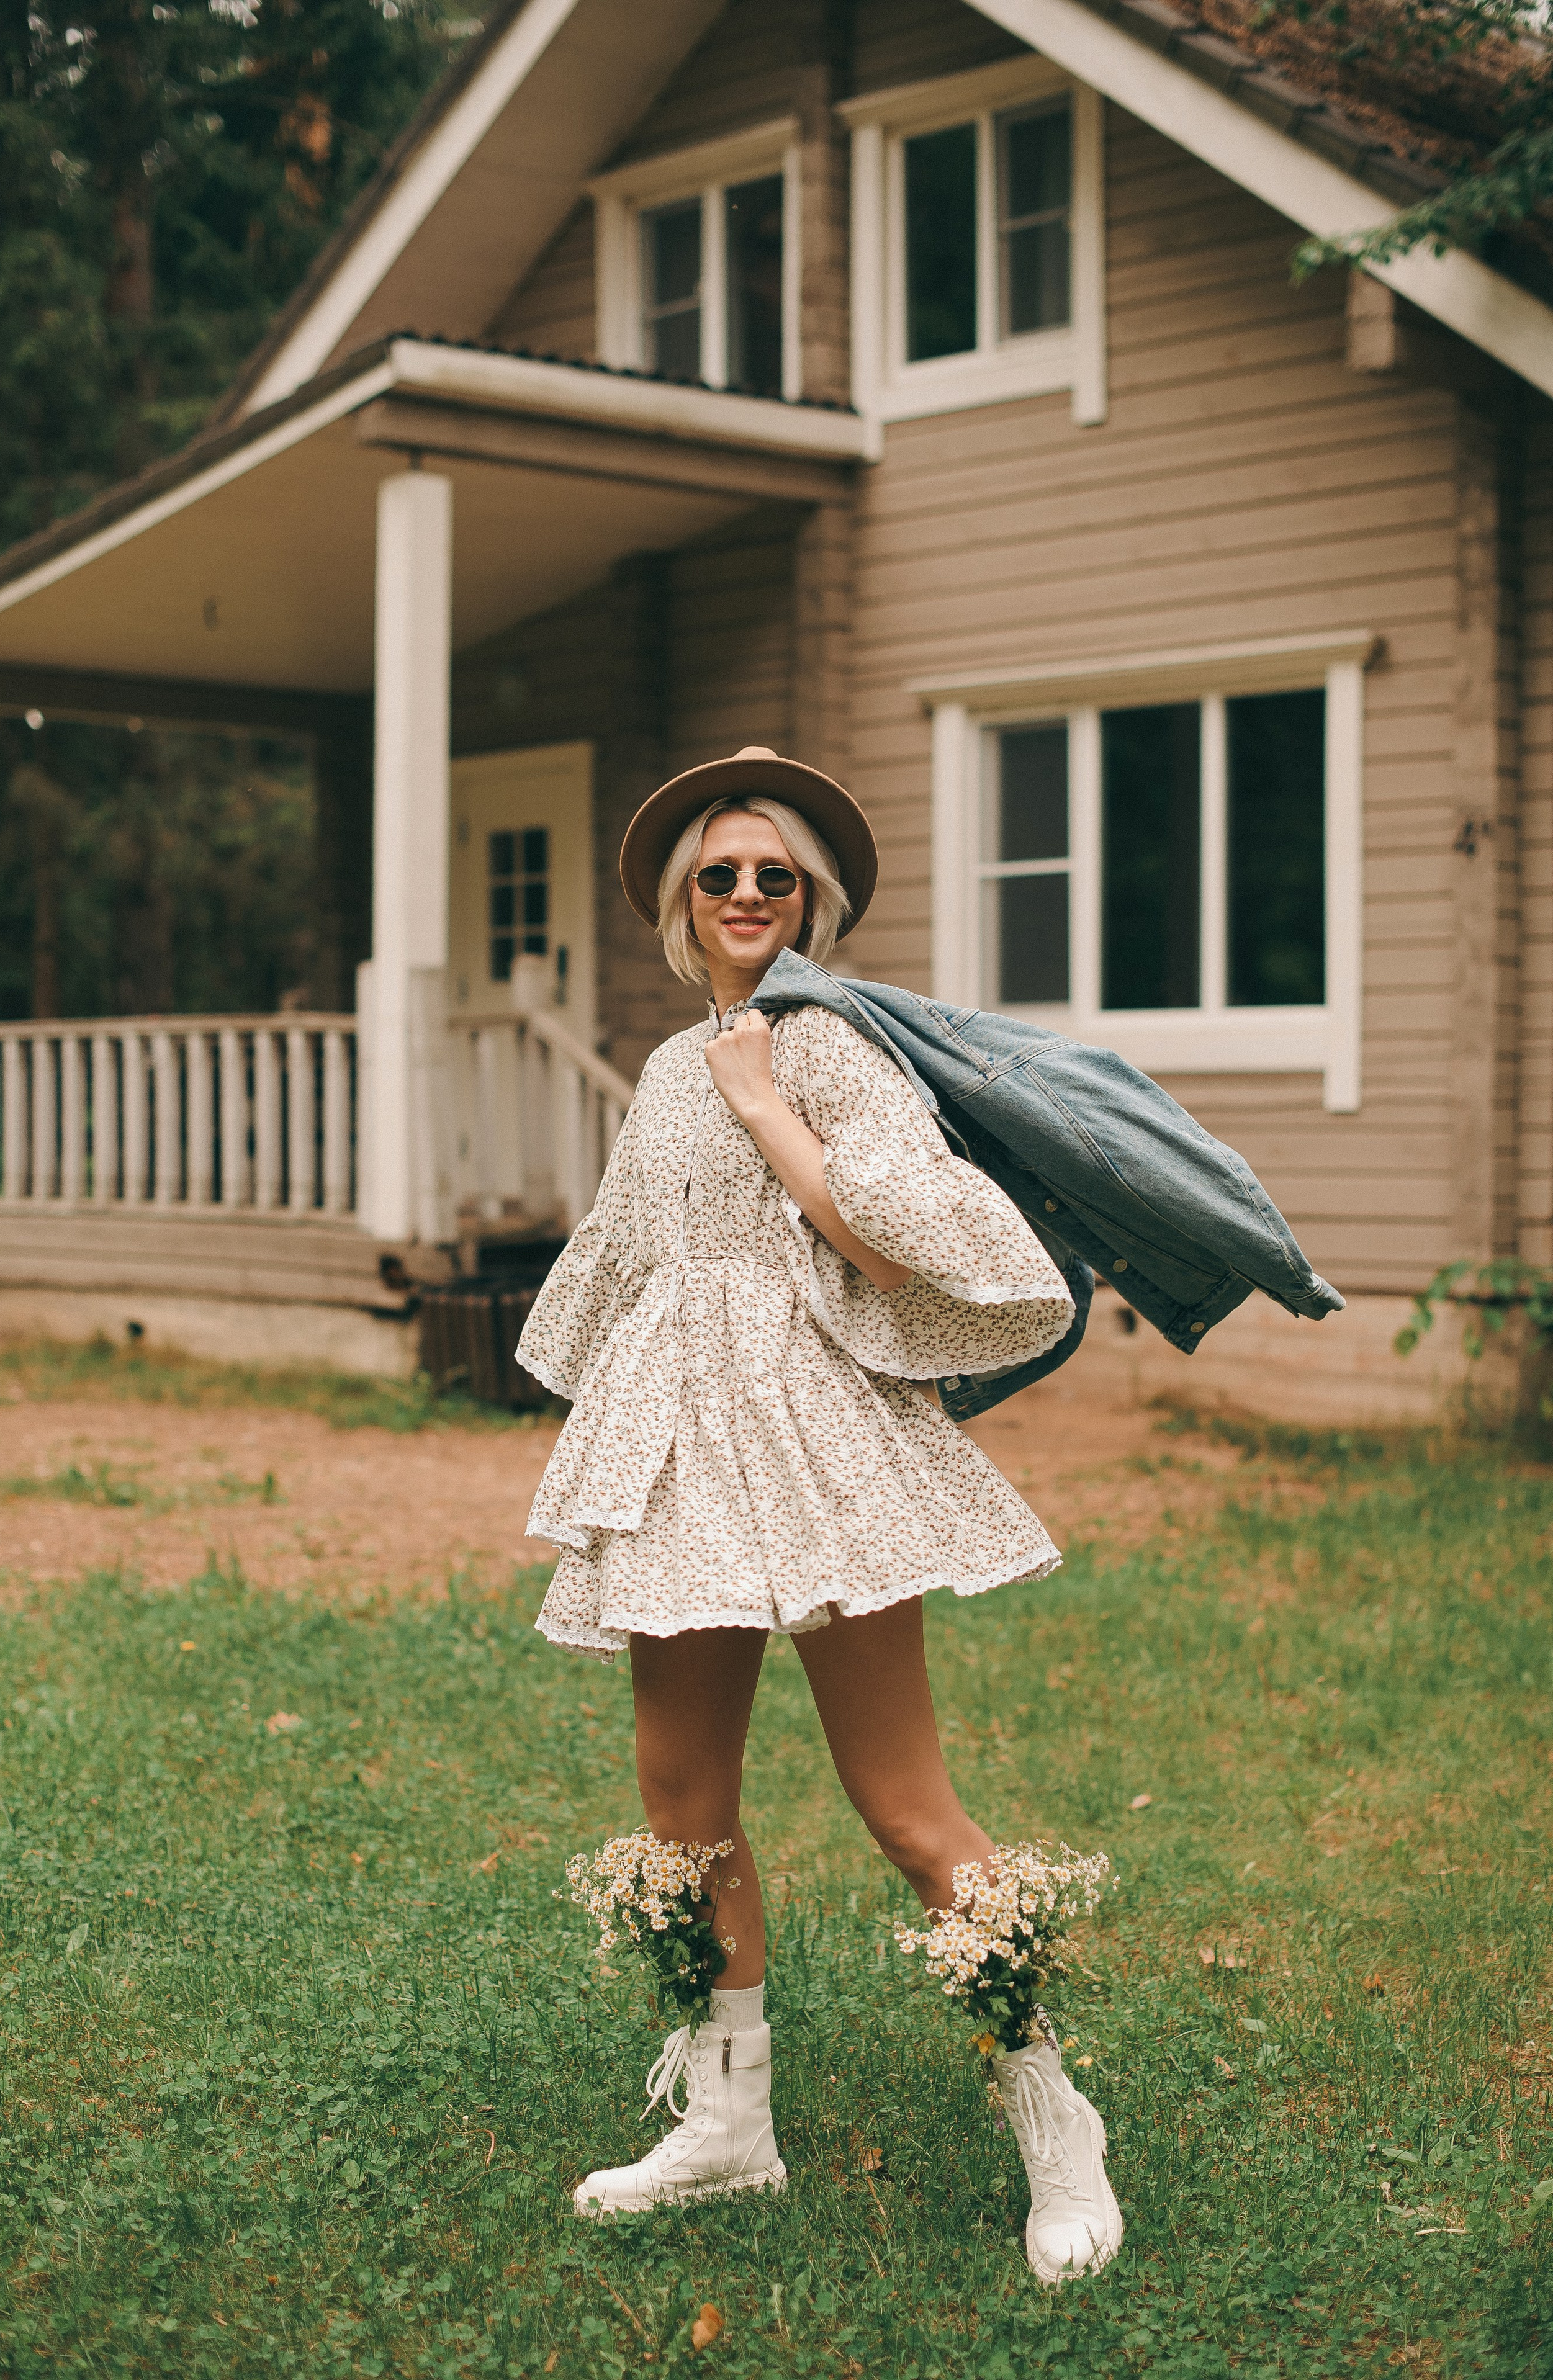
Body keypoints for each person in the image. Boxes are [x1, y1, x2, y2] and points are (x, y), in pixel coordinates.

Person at [516, 747, 1122, 2283]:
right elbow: (630, 1245)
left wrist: (766, 1100)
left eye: (770, 876)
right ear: (678, 901)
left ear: (811, 902)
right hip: (676, 1446)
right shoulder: (667, 1065)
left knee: (905, 1807)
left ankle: (1054, 2113)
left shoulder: (831, 1043)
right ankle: (727, 2119)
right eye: (715, 876)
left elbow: (896, 1238)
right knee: (678, 1805)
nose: (740, 896)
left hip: (812, 1432)